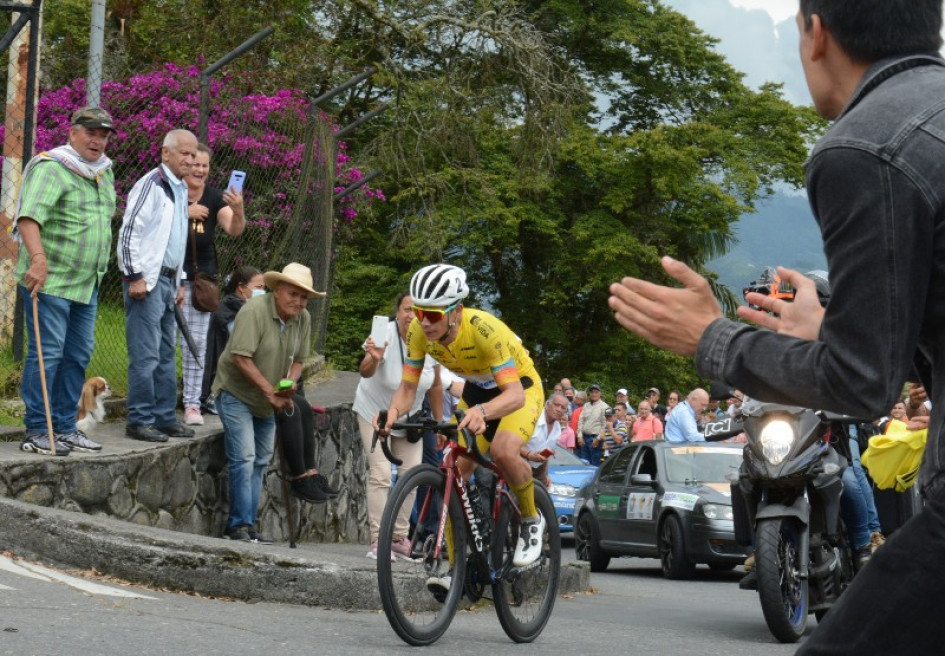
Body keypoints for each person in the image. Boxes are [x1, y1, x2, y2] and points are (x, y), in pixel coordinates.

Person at [608, 1, 945, 651]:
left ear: (814, 34)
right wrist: (831, 326)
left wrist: (711, 337)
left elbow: (859, 384)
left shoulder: (863, 146)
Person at [379, 263, 547, 589]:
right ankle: (457, 572)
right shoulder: (417, 331)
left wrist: (483, 411)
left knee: (502, 450)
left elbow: (512, 395)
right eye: (419, 312)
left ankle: (530, 520)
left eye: (433, 314)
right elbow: (408, 389)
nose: (424, 322)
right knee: (455, 468)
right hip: (478, 390)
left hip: (519, 389)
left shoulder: (485, 331)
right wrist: (391, 413)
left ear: (456, 310)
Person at [14, 106, 117, 456]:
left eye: (103, 135)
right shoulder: (52, 167)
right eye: (91, 132)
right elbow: (29, 217)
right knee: (47, 355)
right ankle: (38, 430)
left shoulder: (103, 173)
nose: (97, 141)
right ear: (73, 133)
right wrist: (38, 260)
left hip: (87, 283)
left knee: (77, 355)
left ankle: (63, 427)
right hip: (52, 281)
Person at [211, 263, 323, 541]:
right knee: (245, 457)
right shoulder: (253, 311)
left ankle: (248, 525)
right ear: (278, 290)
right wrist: (269, 392)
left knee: (260, 460)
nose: (298, 302)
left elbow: (298, 360)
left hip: (267, 398)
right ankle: (237, 526)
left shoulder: (303, 318)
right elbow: (240, 357)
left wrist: (289, 385)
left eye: (304, 297)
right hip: (236, 392)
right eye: (293, 295)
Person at [117, 129, 198, 443]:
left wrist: (179, 282)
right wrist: (135, 276)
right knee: (146, 354)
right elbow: (128, 233)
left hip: (168, 281)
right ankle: (139, 420)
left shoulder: (178, 189)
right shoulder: (151, 185)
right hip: (146, 282)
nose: (190, 160)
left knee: (167, 354)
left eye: (193, 154)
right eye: (184, 154)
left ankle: (165, 418)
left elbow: (174, 239)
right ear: (166, 153)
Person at [353, 292, 443, 561]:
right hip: (374, 412)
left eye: (417, 311)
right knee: (380, 474)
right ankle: (378, 540)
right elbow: (365, 371)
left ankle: (398, 538)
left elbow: (436, 385)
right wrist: (374, 355)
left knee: (411, 475)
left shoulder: (432, 341)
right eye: (406, 309)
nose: (411, 315)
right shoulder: (384, 335)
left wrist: (437, 425)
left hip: (409, 415)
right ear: (398, 312)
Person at [180, 143, 246, 426]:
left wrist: (238, 209)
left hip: (201, 282)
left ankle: (193, 404)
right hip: (168, 277)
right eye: (194, 164)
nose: (199, 170)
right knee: (162, 344)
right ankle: (158, 401)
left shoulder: (215, 197)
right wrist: (186, 212)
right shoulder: (170, 191)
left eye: (204, 165)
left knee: (196, 346)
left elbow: (234, 229)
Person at [200, 265, 265, 411]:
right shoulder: (227, 309)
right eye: (258, 287)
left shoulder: (252, 309)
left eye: (263, 288)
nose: (262, 292)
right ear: (241, 287)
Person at [520, 393, 569, 488]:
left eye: (563, 408)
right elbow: (512, 445)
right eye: (556, 405)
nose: (559, 409)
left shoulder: (557, 429)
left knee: (542, 499)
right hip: (519, 465)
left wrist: (546, 475)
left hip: (539, 469)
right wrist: (529, 455)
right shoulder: (532, 417)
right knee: (517, 500)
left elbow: (547, 454)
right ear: (547, 404)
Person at [577, 384, 609, 465]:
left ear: (600, 394)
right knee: (584, 463)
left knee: (595, 464)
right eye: (592, 392)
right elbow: (581, 421)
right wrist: (579, 436)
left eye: (596, 392)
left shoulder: (604, 407)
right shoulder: (586, 405)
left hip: (596, 440)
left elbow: (605, 425)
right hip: (584, 438)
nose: (594, 394)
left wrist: (598, 439)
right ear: (589, 394)